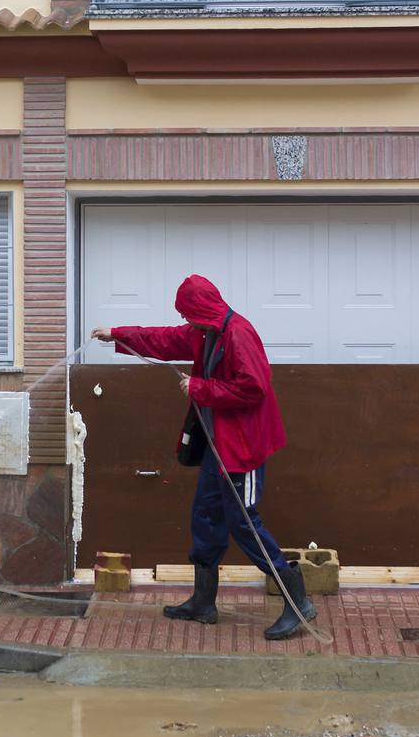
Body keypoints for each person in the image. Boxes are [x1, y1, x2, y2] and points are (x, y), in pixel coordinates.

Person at [91, 274, 315, 641]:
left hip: (243, 450)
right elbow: (163, 338)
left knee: (245, 524)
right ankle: (203, 602)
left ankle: (298, 599)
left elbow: (254, 388)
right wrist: (117, 333)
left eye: (188, 315)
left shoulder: (238, 334)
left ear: (203, 310)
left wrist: (200, 388)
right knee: (206, 516)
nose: (185, 322)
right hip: (218, 447)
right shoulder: (204, 331)